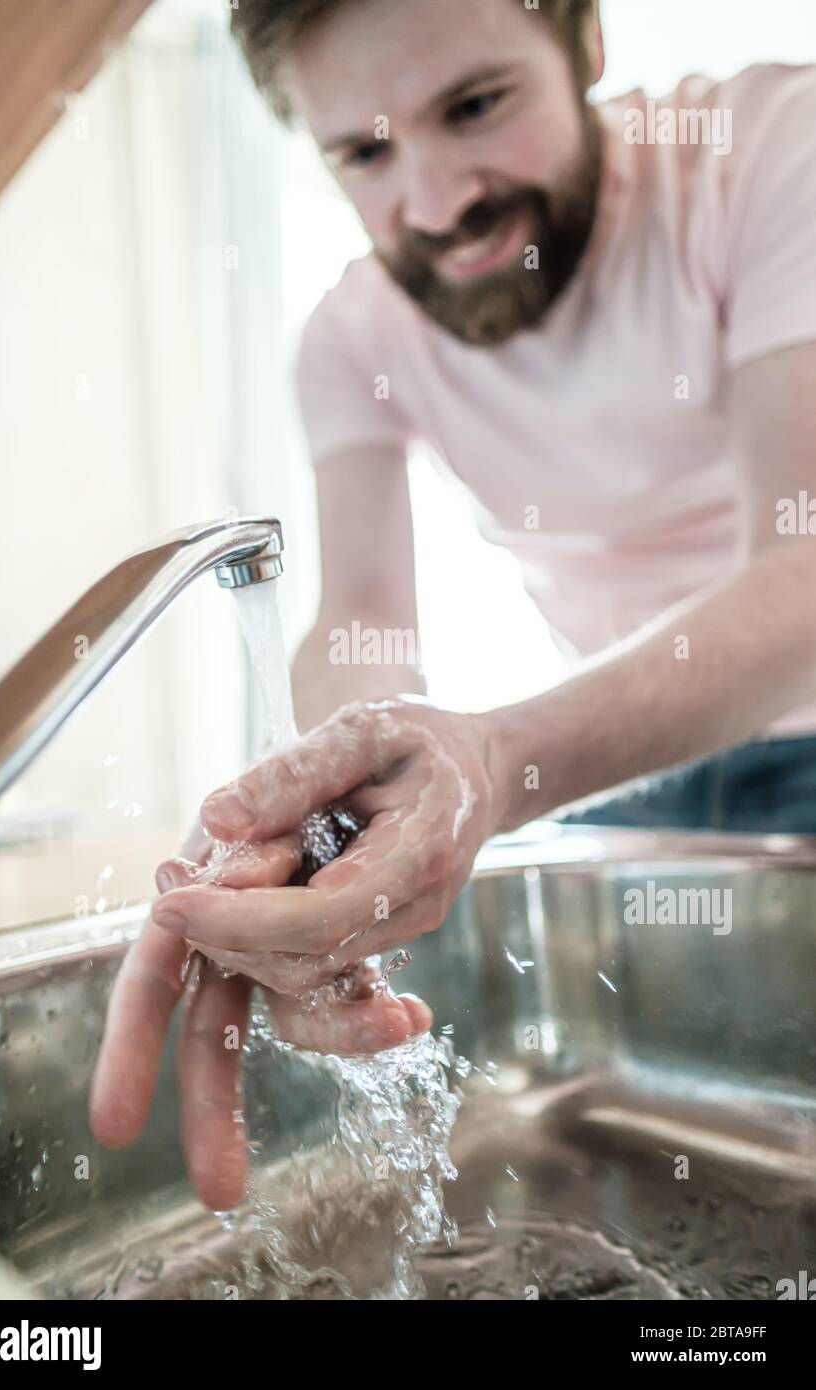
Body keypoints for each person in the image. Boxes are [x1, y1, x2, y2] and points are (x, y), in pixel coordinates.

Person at [91, 0, 816, 1208]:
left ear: (584, 45)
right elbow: (363, 629)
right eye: (364, 153)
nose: (433, 207)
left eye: (475, 107)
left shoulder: (768, 154)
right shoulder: (351, 335)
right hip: (625, 774)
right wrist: (283, 839)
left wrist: (496, 758)